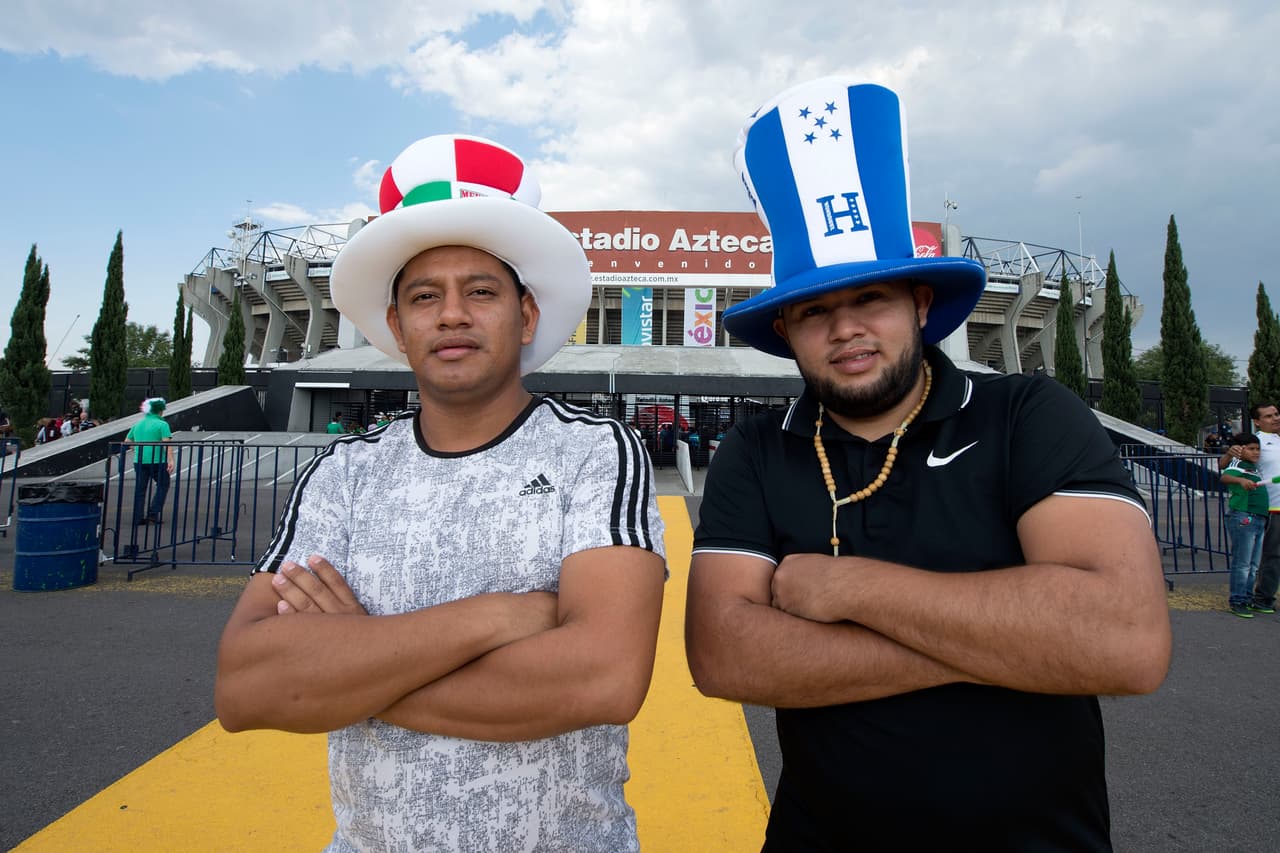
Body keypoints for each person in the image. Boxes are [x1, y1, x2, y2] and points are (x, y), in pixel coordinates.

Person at [684, 78, 1171, 850]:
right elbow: (723, 655)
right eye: (814, 310)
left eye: (870, 299)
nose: (845, 329)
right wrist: (1012, 642)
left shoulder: (1027, 414)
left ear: (918, 303)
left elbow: (1125, 640)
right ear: (786, 329)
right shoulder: (759, 448)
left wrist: (850, 588)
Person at [215, 133, 666, 851]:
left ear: (526, 315)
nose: (452, 314)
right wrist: (499, 615)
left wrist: (349, 667)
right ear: (397, 326)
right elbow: (246, 688)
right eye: (425, 296)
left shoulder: (594, 452)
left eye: (480, 291)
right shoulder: (345, 473)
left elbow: (601, 679)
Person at [1220, 403, 1280, 613]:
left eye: (1276, 414)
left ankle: (1254, 597)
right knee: (1262, 558)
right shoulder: (1255, 442)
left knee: (1258, 561)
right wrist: (1230, 456)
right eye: (1269, 416)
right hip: (1266, 509)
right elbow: (1225, 467)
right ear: (1257, 421)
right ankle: (1257, 598)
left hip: (1269, 509)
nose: (1275, 418)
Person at [124, 397, 174, 525]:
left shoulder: (138, 424)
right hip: (157, 460)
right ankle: (153, 513)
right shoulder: (162, 424)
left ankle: (138, 516)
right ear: (160, 410)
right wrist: (171, 460)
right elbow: (167, 444)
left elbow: (127, 441)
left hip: (139, 460)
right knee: (163, 485)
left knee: (140, 489)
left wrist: (137, 449)